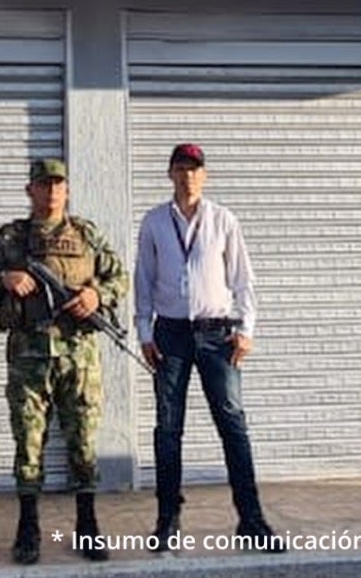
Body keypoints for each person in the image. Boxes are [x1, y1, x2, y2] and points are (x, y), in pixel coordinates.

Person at [0, 158, 128, 564]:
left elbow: (120, 278)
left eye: (58, 184)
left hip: (78, 357)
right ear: (30, 190)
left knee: (83, 443)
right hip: (29, 358)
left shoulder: (86, 234)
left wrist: (95, 295)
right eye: (44, 184)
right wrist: (5, 279)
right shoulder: (11, 238)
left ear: (67, 190)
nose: (52, 191)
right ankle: (28, 529)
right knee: (28, 443)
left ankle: (88, 526)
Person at [135, 143, 284, 554]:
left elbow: (243, 279)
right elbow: (143, 279)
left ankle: (251, 520)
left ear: (205, 175)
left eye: (195, 169)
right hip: (170, 336)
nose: (188, 176)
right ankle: (167, 519)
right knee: (168, 429)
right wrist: (144, 332)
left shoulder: (223, 220)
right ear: (170, 174)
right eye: (181, 168)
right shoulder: (154, 222)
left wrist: (246, 329)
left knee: (233, 425)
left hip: (217, 335)